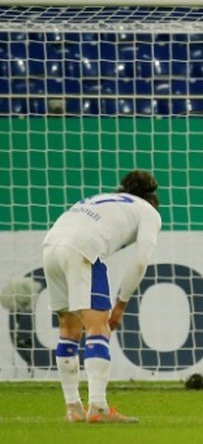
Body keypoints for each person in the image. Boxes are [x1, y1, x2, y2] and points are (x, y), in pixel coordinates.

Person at [42, 170, 162, 423]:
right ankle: (98, 407)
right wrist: (120, 305)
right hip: (83, 248)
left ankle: (73, 407)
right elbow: (141, 263)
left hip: (50, 247)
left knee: (69, 328)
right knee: (98, 328)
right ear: (153, 200)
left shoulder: (102, 199)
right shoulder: (148, 212)